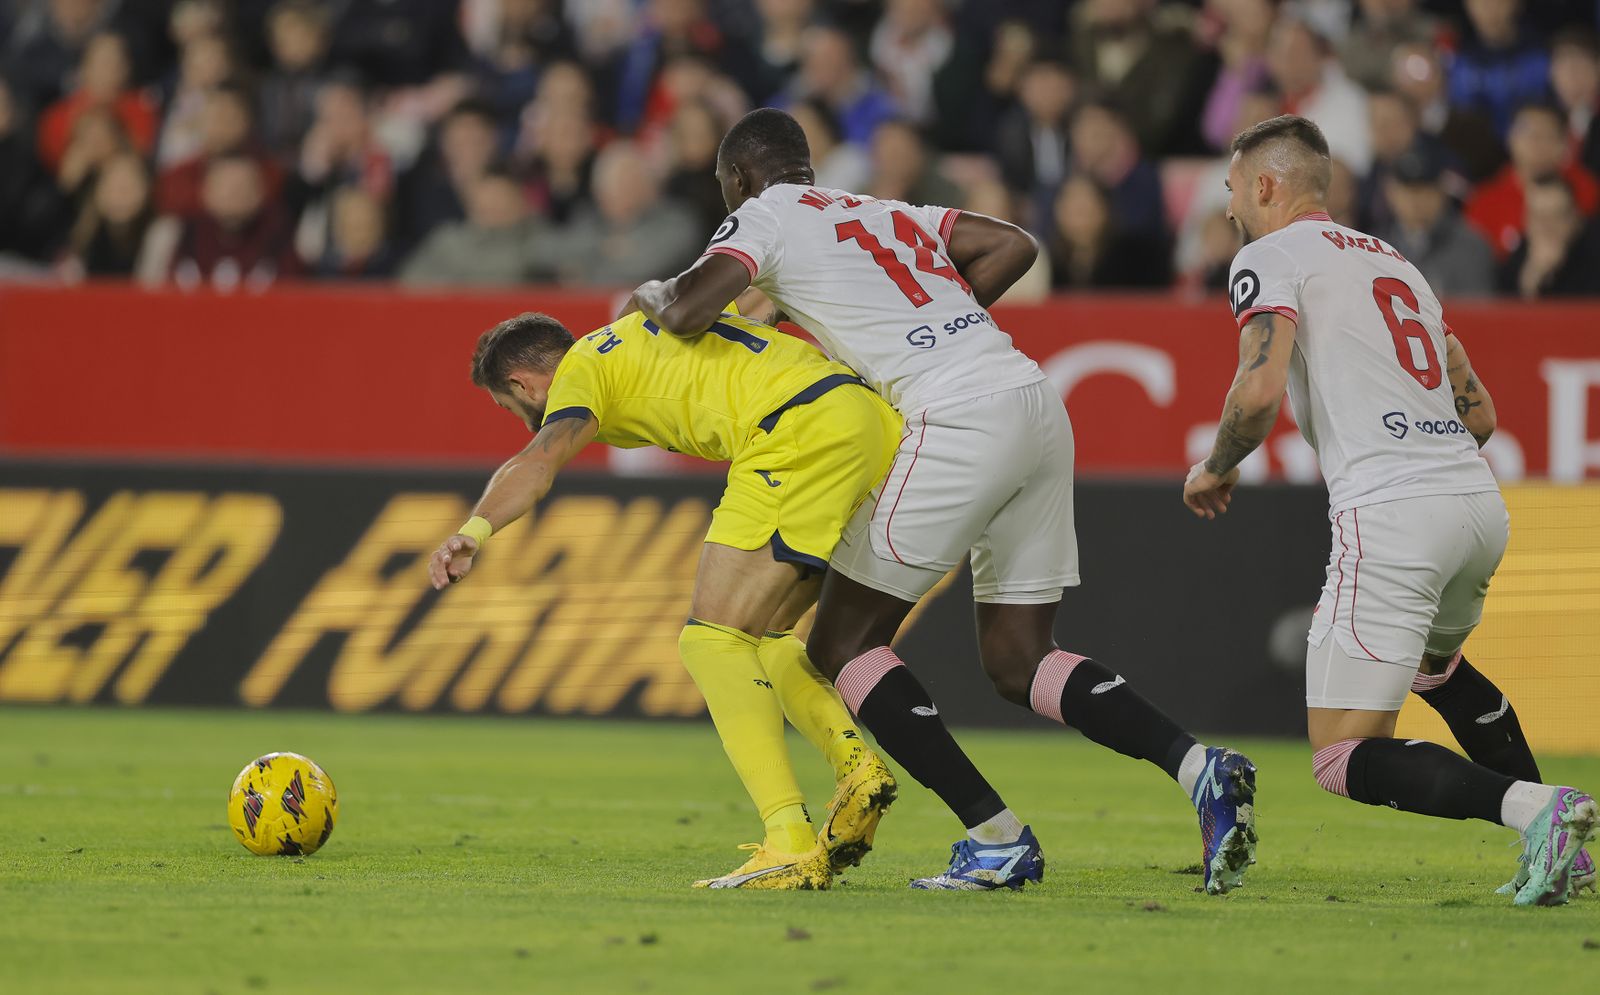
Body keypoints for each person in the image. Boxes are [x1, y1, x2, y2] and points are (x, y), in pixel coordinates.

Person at [629, 108, 1259, 894]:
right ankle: (1201, 767)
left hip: (956, 415)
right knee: (1019, 658)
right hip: (1031, 397)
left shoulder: (763, 214)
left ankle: (995, 837)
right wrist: (934, 325)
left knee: (839, 645)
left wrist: (649, 294)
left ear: (738, 180)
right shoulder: (877, 209)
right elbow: (1012, 244)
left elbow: (689, 310)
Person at [1185, 114, 1596, 908]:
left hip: (1393, 513)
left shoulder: (1266, 257)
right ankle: (1568, 853)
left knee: (1340, 755)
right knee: (1437, 670)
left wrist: (1214, 465)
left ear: (1266, 186)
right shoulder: (1397, 262)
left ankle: (1540, 809)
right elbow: (1480, 414)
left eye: (1233, 189)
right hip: (1476, 504)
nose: (1231, 207)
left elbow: (1260, 389)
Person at [428, 308, 903, 890]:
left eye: (511, 407)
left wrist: (473, 532)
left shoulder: (579, 371)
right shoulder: (649, 323)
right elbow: (757, 301)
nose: (524, 419)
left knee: (711, 640)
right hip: (870, 422)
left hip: (794, 432)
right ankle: (855, 768)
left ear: (523, 384)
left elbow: (540, 459)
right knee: (769, 633)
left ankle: (787, 841)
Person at [1377, 144, 1495, 298]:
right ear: (1391, 193)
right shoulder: (1376, 246)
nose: (1416, 201)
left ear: (1442, 193)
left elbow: (1480, 313)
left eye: (1426, 191)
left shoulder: (1471, 247)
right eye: (1409, 191)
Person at [1497, 175, 1600, 298]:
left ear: (1574, 219)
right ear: (1526, 221)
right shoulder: (1514, 263)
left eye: (1556, 216)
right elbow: (1505, 312)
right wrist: (1531, 280)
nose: (1548, 227)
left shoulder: (1594, 255)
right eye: (1539, 218)